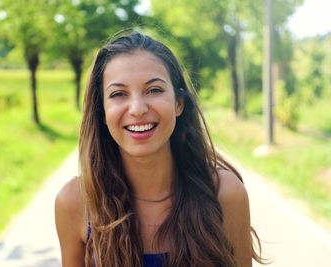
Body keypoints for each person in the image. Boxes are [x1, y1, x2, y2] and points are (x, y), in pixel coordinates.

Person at [55, 32, 263, 267]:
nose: (137, 109)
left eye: (154, 90)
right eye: (118, 94)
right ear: (102, 112)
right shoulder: (75, 203)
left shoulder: (224, 194)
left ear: (179, 103)